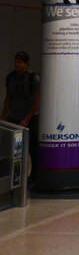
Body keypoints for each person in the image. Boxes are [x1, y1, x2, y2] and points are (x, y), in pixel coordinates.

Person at [2, 51, 40, 183]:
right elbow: (8, 98)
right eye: (16, 61)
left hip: (29, 119)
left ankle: (34, 176)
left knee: (32, 148)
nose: (17, 65)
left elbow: (36, 102)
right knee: (15, 149)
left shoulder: (32, 78)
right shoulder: (11, 77)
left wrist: (26, 120)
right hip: (14, 117)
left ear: (26, 63)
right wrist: (4, 117)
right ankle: (16, 175)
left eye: (20, 62)